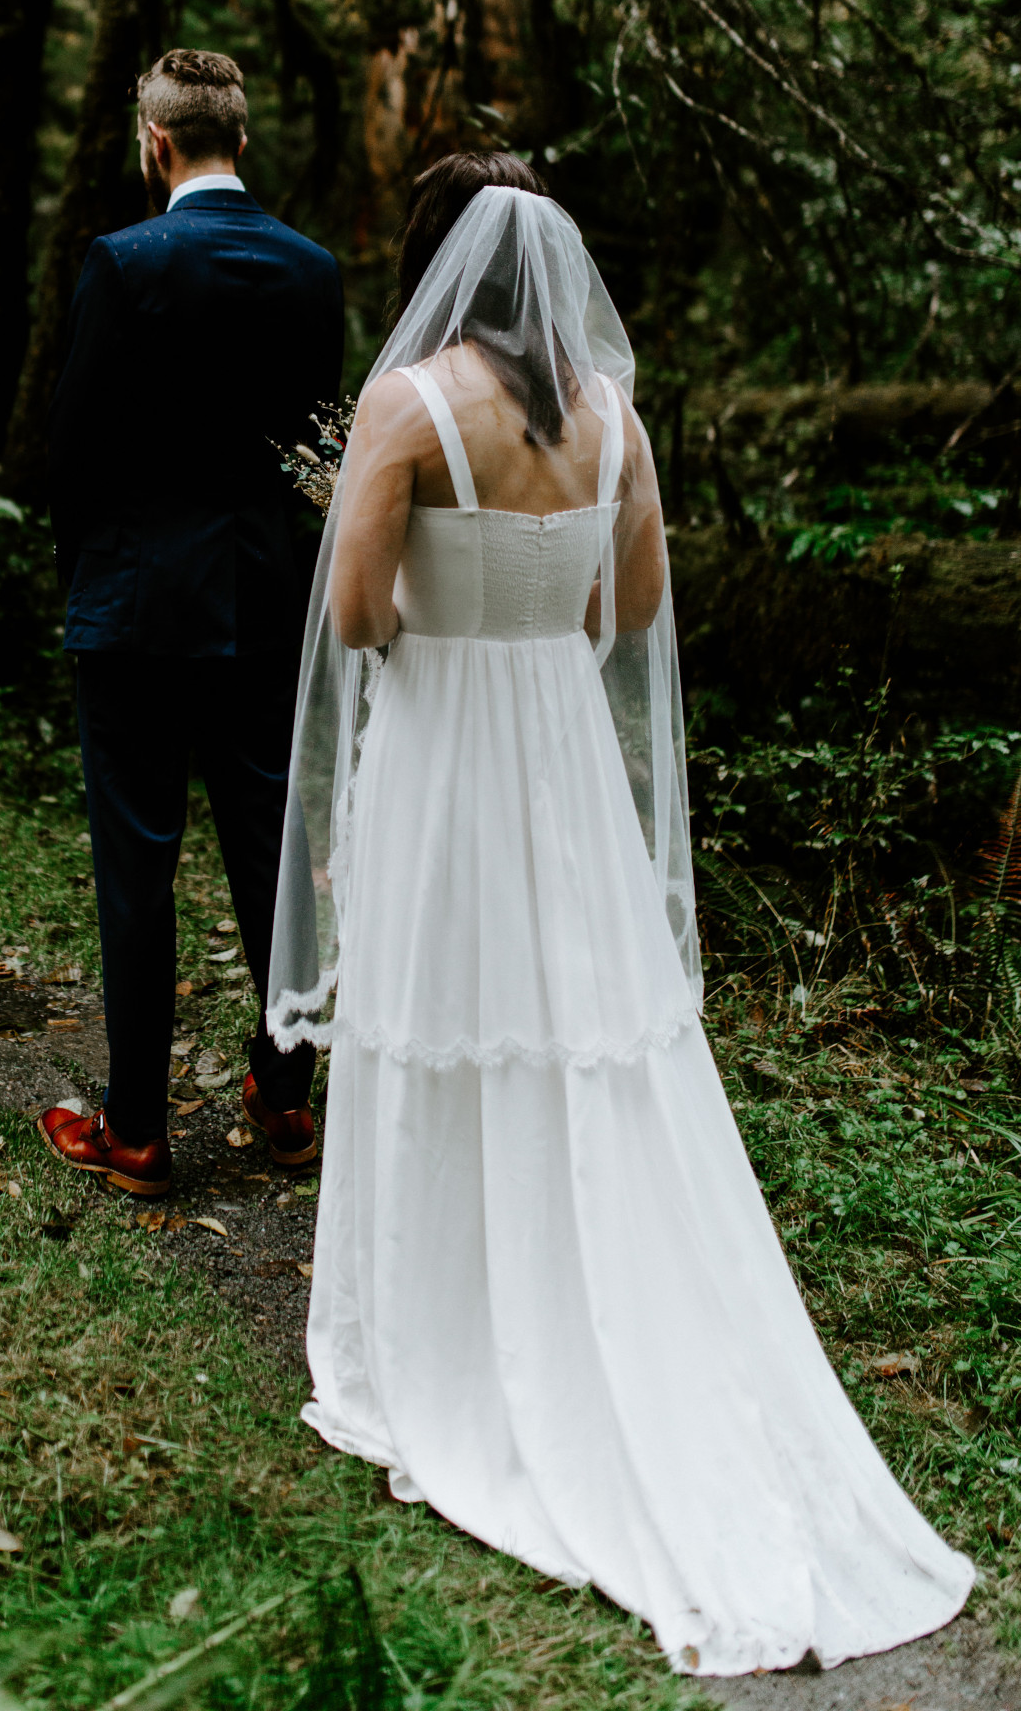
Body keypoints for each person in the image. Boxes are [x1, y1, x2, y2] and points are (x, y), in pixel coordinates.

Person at [265, 151, 973, 1678]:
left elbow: (353, 614)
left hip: (450, 757)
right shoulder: (611, 414)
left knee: (435, 1018)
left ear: (437, 266)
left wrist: (434, 604)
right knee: (580, 1031)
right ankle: (596, 1306)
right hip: (565, 770)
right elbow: (632, 612)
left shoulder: (406, 408)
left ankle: (432, 1339)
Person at [40, 48, 344, 1198]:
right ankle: (285, 1094)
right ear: (240, 142)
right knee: (275, 856)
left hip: (132, 610)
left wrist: (93, 582)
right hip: (267, 606)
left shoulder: (123, 262)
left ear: (155, 143)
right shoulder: (313, 272)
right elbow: (321, 453)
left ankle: (135, 1130)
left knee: (138, 868)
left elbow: (72, 451)